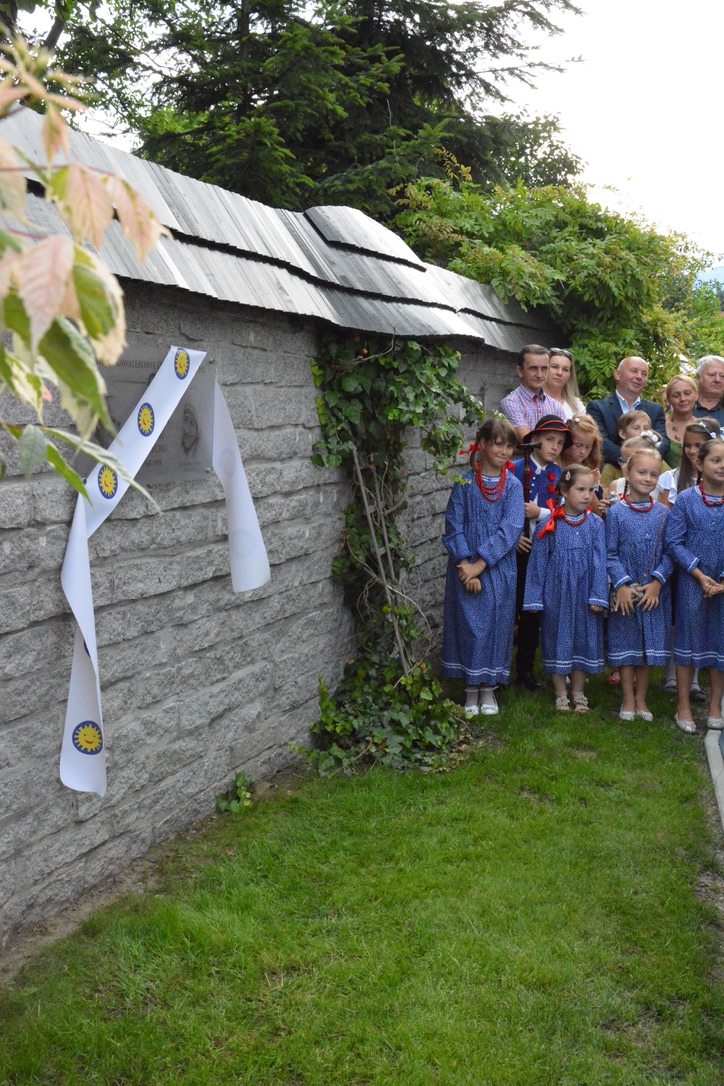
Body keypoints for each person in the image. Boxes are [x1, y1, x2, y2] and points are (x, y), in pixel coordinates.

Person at [441, 417, 524, 716]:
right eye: (499, 444)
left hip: (497, 567)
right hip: (464, 568)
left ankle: (488, 688)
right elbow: (453, 525)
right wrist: (466, 564)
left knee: (495, 624)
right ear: (484, 444)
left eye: (509, 446)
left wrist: (480, 564)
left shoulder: (513, 486)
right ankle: (470, 689)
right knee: (469, 625)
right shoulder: (464, 482)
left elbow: (510, 529)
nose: (504, 451)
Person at [522, 464, 608, 712]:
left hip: (584, 594)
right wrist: (534, 598)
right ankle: (560, 693)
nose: (586, 495)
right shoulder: (550, 525)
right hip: (556, 595)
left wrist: (598, 595)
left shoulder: (595, 524)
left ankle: (578, 692)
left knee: (582, 639)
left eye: (590, 490)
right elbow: (538, 564)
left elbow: (600, 561)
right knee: (556, 638)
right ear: (563, 490)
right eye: (580, 489)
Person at [606, 447, 672, 721]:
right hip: (626, 592)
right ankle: (628, 698)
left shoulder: (664, 513)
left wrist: (657, 582)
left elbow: (670, 552)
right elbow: (609, 553)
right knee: (627, 645)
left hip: (653, 593)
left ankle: (642, 699)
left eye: (653, 474)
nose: (647, 478)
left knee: (648, 648)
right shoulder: (615, 513)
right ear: (627, 473)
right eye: (642, 472)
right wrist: (622, 585)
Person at [665, 436, 724, 734]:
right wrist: (699, 574)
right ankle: (683, 705)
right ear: (700, 464)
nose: (722, 466)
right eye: (716, 460)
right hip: (692, 581)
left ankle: (715, 705)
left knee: (720, 642)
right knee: (688, 641)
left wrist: (722, 580)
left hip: (723, 585)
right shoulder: (686, 499)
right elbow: (673, 541)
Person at [511, 414, 571, 689]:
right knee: (510, 607)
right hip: (515, 550)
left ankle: (526, 670)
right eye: (549, 440)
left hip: (544, 551)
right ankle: (498, 668)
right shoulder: (514, 469)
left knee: (533, 611)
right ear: (534, 440)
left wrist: (540, 513)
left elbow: (567, 512)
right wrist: (513, 537)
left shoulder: (561, 475)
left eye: (560, 442)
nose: (555, 446)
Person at [587, 356, 669, 467]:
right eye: (634, 371)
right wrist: (629, 461)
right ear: (617, 374)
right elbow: (600, 442)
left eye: (644, 374)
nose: (639, 376)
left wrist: (645, 462)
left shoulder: (655, 409)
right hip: (610, 471)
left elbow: (663, 443)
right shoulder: (598, 408)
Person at [499, 344, 562, 443]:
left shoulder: (556, 406)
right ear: (520, 371)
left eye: (544, 368)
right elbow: (528, 441)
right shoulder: (510, 403)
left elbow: (563, 442)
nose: (539, 375)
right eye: (533, 368)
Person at [560, 414, 603, 514]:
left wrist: (592, 483)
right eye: (578, 445)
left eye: (588, 447)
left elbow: (598, 512)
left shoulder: (591, 469)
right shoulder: (557, 468)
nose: (583, 451)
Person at [663, 374, 699, 469]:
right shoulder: (659, 425)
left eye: (687, 393)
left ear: (696, 395)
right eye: (676, 395)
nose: (683, 399)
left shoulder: (703, 426)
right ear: (668, 400)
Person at [543, 348, 586, 421]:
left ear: (569, 375)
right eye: (555, 367)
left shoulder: (577, 405)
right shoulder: (529, 401)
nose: (559, 373)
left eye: (565, 369)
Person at [692, 355, 724, 427]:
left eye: (722, 376)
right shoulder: (684, 405)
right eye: (712, 375)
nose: (717, 380)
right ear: (698, 377)